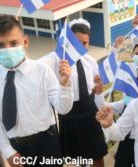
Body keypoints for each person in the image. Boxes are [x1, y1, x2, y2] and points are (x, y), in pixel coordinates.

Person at [0, 15, 73, 167]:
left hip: (47, 143)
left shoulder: (42, 71)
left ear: (25, 41)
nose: (8, 50)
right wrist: (8, 151)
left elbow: (63, 109)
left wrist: (65, 86)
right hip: (17, 147)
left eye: (13, 43)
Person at [39, 18, 107, 167]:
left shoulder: (90, 61)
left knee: (97, 155)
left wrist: (99, 91)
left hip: (90, 114)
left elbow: (95, 89)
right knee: (78, 158)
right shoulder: (57, 59)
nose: (80, 47)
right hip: (69, 115)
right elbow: (36, 66)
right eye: (76, 43)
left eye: (85, 43)